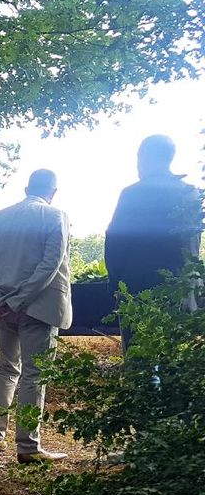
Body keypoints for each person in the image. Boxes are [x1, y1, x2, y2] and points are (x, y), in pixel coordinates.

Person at [0, 169, 71, 463]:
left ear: (26, 187)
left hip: (2, 307)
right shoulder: (55, 216)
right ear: (54, 191)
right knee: (34, 374)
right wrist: (18, 300)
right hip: (37, 308)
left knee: (6, 369)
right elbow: (50, 265)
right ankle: (28, 446)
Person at [105, 135, 202, 352]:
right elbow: (193, 245)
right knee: (177, 360)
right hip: (182, 289)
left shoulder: (132, 194)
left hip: (139, 289)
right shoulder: (190, 193)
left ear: (145, 158)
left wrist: (116, 285)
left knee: (140, 360)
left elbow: (114, 242)